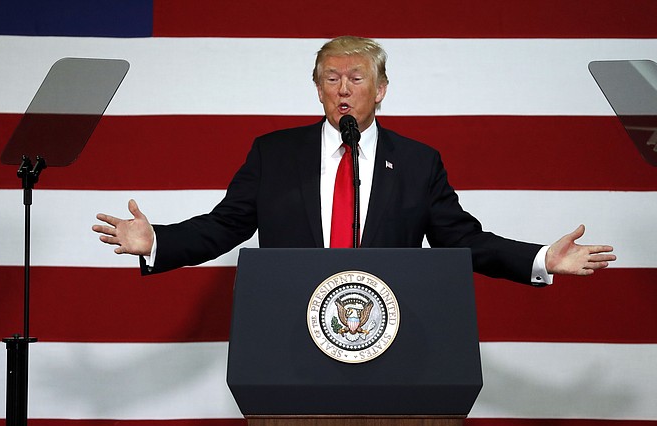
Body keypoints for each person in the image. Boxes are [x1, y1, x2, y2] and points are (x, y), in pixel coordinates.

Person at [93, 36, 615, 283]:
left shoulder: (418, 162)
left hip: (390, 330)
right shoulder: (273, 153)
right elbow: (224, 225)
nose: (343, 90)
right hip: (292, 325)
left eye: (356, 78)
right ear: (318, 89)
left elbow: (461, 239)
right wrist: (157, 239)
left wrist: (541, 258)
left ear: (381, 89)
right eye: (331, 78)